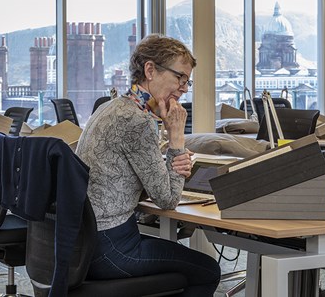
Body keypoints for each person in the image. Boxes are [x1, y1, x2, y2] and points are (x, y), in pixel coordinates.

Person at [76, 34, 221, 296]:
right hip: (111, 247)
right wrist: (176, 138)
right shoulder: (138, 121)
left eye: (187, 81)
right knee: (207, 270)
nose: (184, 88)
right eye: (180, 77)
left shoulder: (110, 108)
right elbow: (167, 199)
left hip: (84, 243)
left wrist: (169, 161)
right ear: (150, 70)